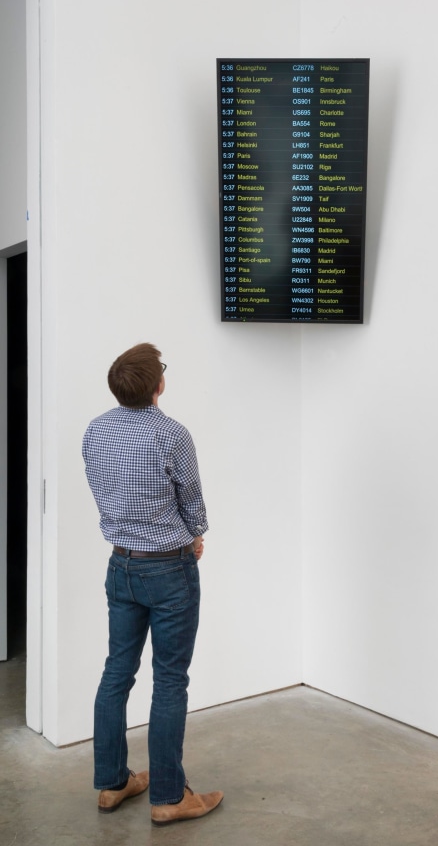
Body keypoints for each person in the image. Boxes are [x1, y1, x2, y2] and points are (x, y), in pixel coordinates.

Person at [82, 342, 223, 826]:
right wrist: (194, 536)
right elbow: (192, 499)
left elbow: (103, 490)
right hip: (168, 569)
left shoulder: (96, 430)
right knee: (170, 680)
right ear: (158, 385)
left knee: (116, 671)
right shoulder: (171, 434)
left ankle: (112, 784)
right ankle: (168, 796)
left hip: (120, 565)